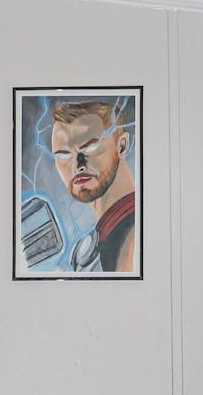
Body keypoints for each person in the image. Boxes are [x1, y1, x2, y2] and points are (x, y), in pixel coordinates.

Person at [47, 96, 137, 272]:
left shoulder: (136, 236)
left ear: (122, 146)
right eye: (64, 154)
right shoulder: (92, 243)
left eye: (89, 147)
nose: (77, 166)